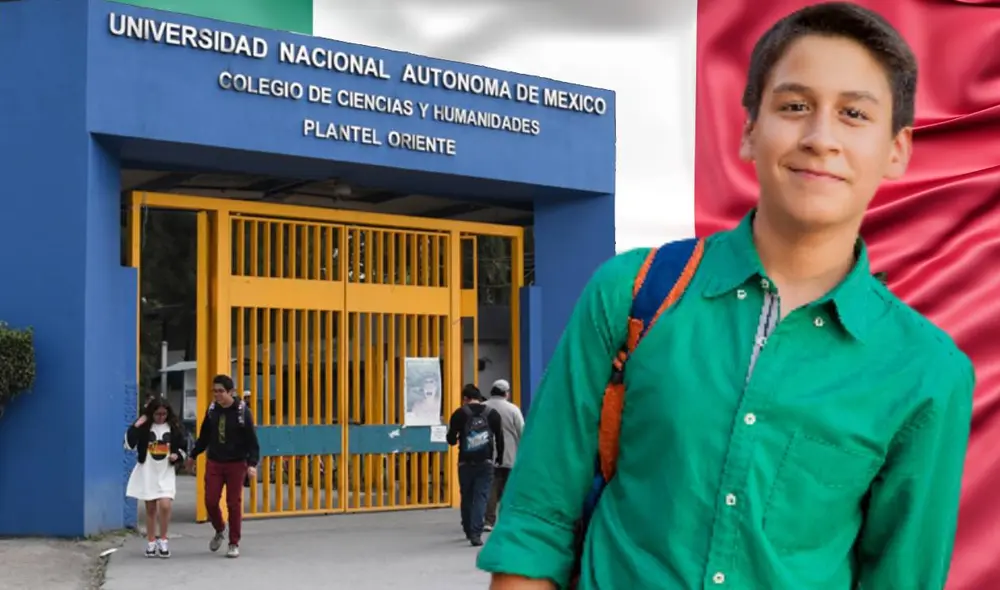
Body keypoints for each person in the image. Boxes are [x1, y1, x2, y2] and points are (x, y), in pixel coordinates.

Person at [477, 3, 976, 589]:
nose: (820, 138)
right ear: (748, 130)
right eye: (794, 107)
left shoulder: (925, 371)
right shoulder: (634, 294)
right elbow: (538, 521)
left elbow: (902, 578)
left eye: (854, 114)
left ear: (897, 150)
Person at [186, 374, 260, 558]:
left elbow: (252, 441)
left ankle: (234, 542)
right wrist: (193, 455)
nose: (217, 395)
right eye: (215, 391)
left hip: (236, 463)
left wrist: (252, 463)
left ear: (231, 392)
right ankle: (220, 528)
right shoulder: (212, 410)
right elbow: (203, 437)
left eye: (221, 391)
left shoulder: (243, 412)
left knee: (233, 503)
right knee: (210, 501)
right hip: (215, 462)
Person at [124, 396, 188, 558]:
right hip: (148, 470)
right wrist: (137, 424)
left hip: (165, 470)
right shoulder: (145, 428)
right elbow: (128, 443)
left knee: (165, 504)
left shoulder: (173, 427)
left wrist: (177, 456)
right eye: (157, 414)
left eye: (163, 414)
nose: (160, 417)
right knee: (150, 507)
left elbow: (183, 447)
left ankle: (163, 538)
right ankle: (151, 541)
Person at [446, 383, 504, 547]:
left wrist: (456, 437)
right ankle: (476, 533)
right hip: (485, 461)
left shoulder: (459, 413)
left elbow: (451, 440)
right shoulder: (492, 414)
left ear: (465, 398)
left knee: (467, 495)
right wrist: (498, 457)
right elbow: (499, 438)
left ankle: (467, 528)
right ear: (480, 398)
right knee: (481, 496)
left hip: (465, 462)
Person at [482, 379, 524, 532]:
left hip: (487, 454)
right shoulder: (513, 409)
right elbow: (522, 432)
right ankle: (506, 520)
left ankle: (488, 520)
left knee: (490, 488)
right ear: (506, 393)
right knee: (509, 489)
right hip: (509, 455)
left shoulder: (482, 407)